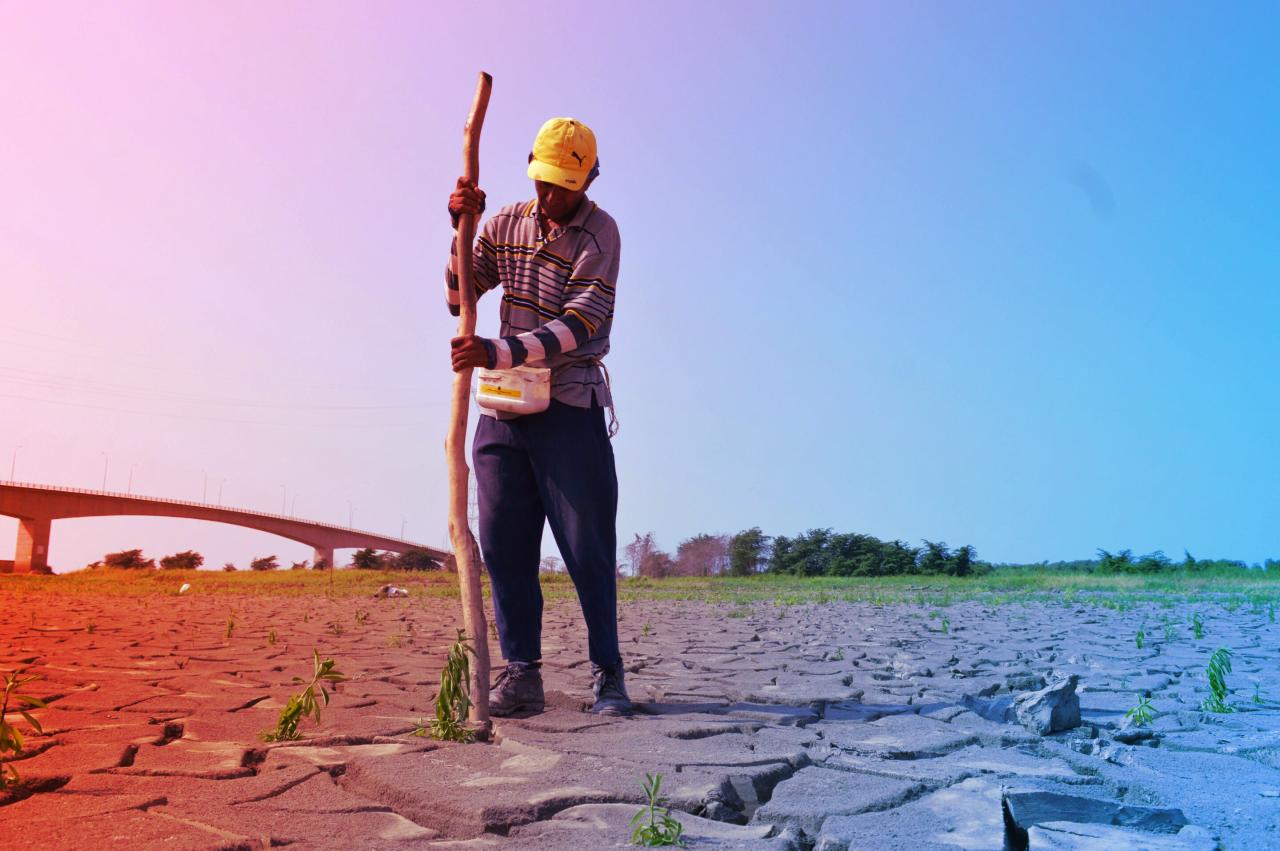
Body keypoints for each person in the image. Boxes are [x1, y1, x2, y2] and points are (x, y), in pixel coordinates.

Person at [445, 117, 630, 716]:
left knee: (587, 546)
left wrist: (496, 351)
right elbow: (458, 296)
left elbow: (578, 325)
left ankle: (608, 674)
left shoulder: (600, 235)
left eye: (564, 187)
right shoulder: (504, 224)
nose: (551, 197)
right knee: (503, 544)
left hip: (569, 405)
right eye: (544, 182)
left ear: (590, 180)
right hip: (504, 408)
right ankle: (522, 673)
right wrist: (460, 229)